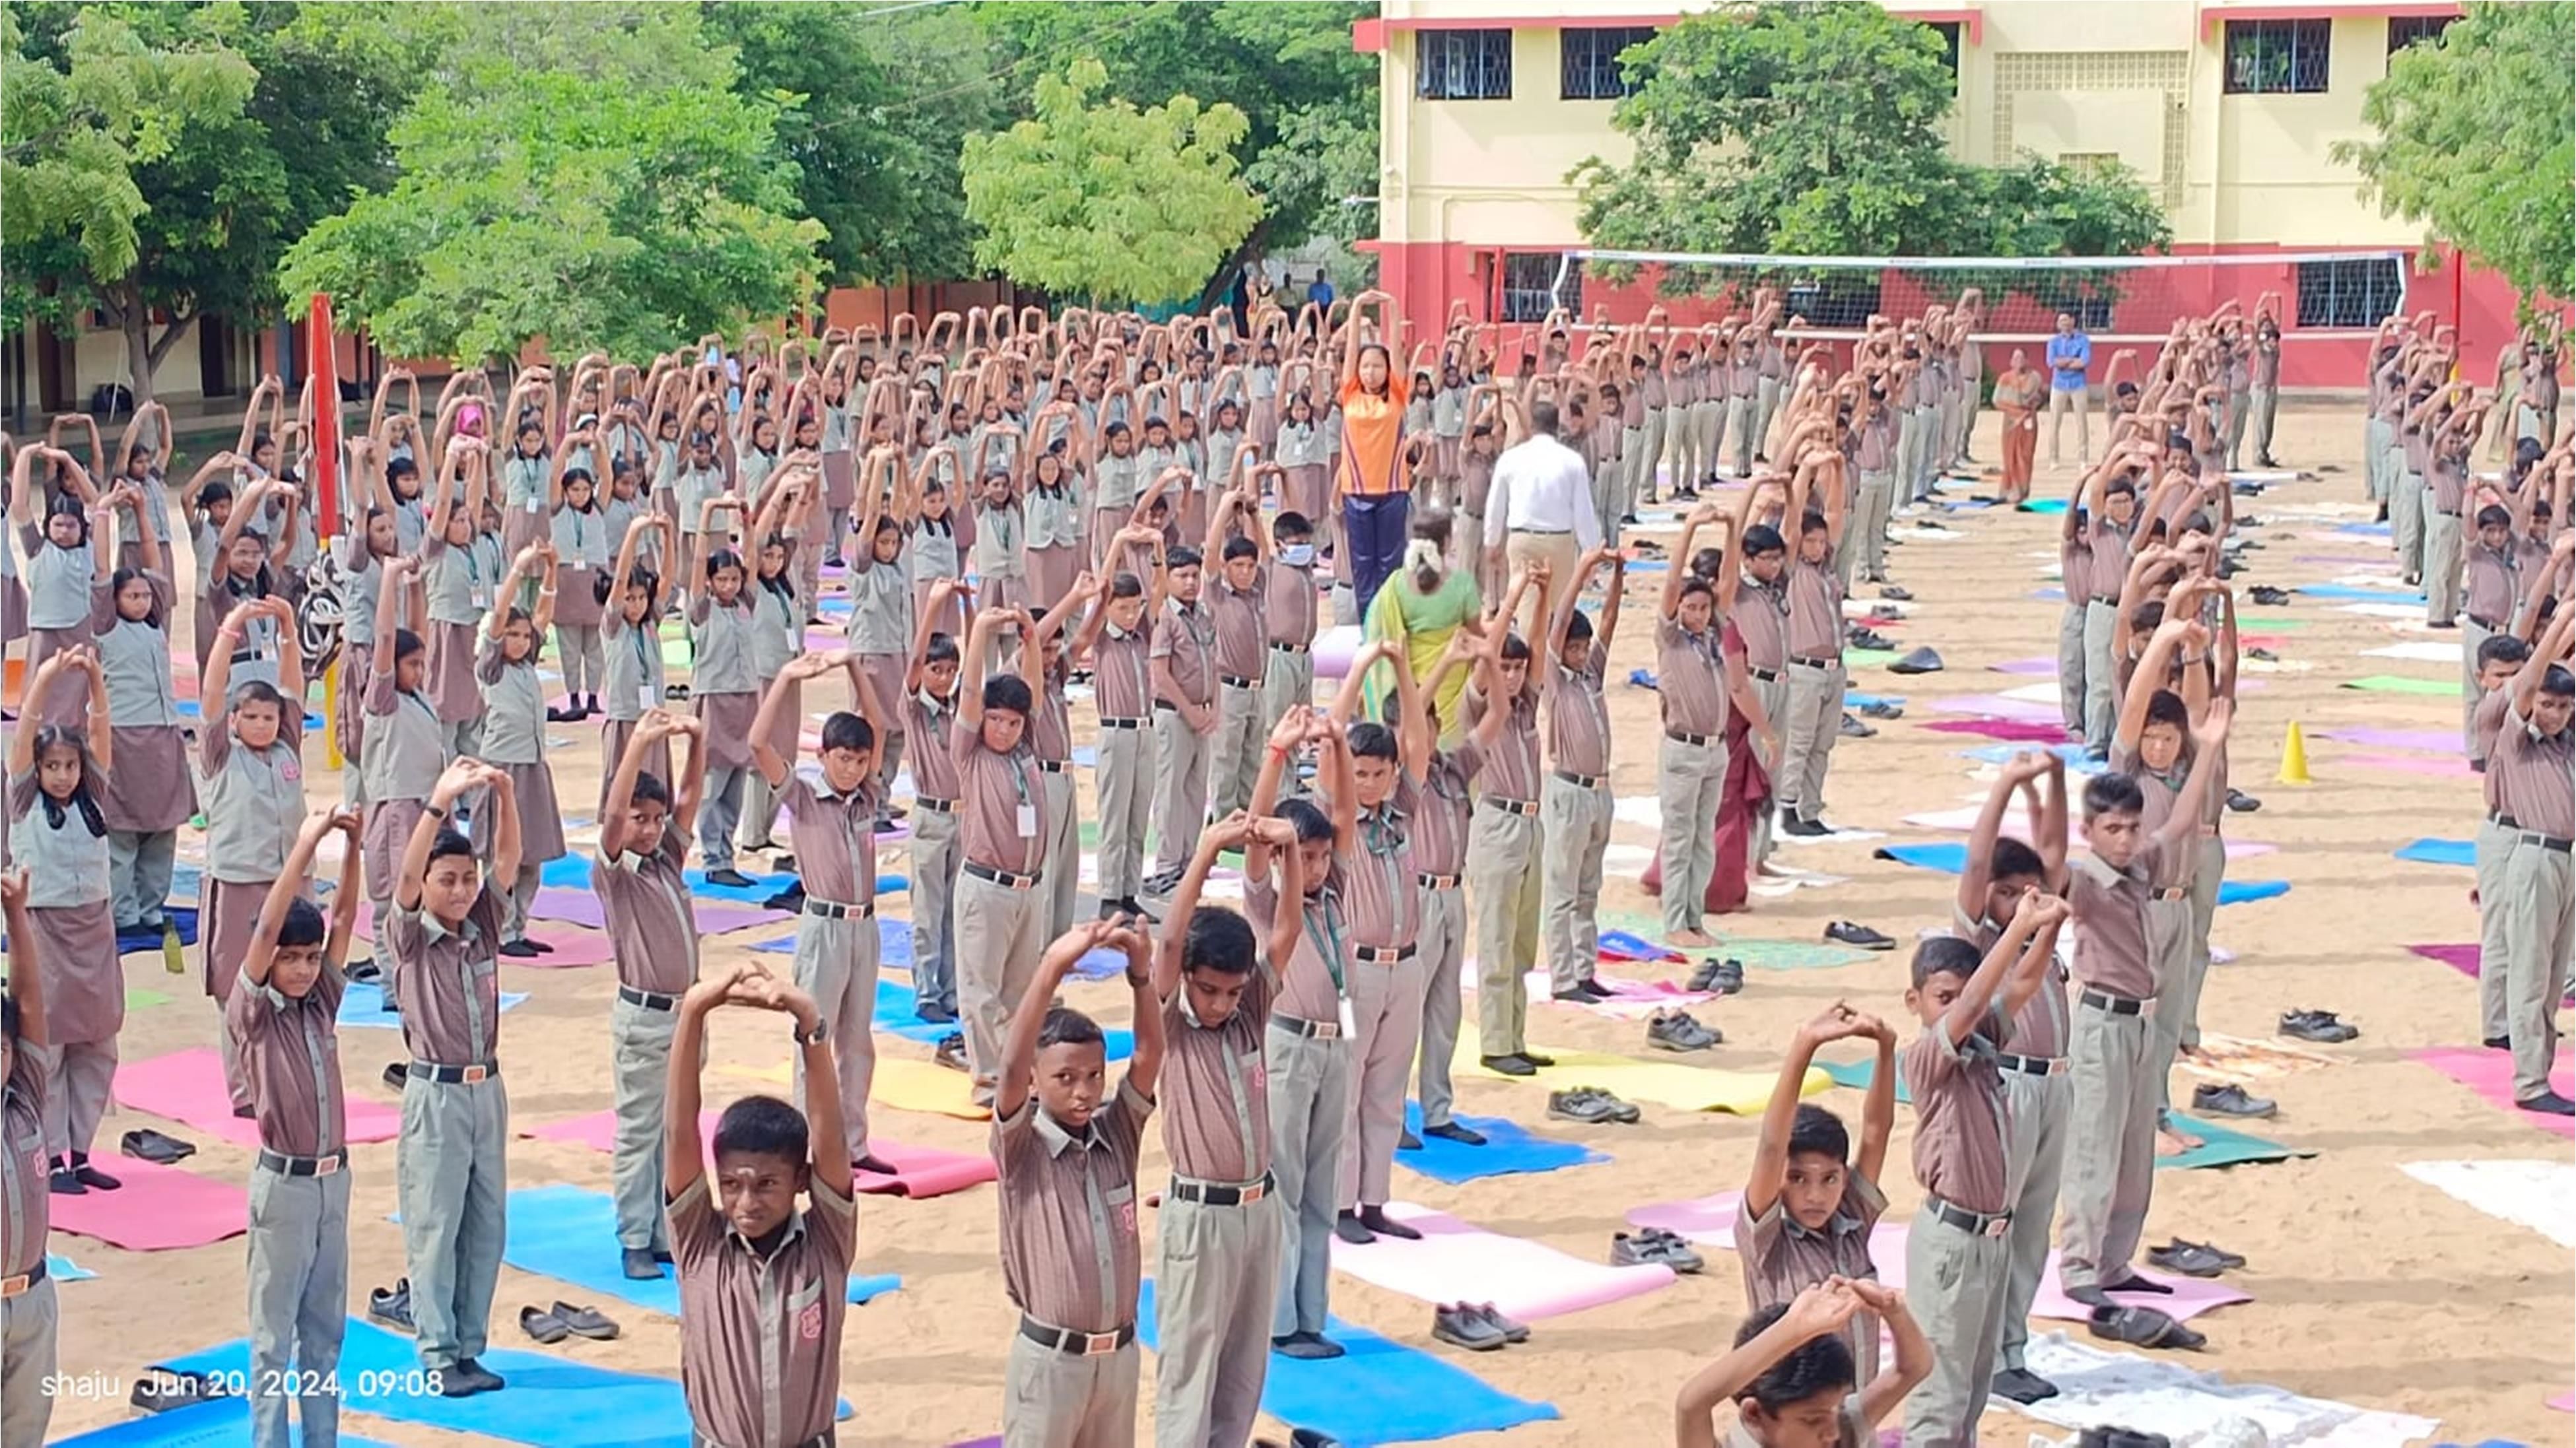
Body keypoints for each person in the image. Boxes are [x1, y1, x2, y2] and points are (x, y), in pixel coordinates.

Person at [2058, 702, 2230, 1304]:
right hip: (2102, 1023)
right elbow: (2050, 863)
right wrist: (2029, 789)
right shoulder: (2083, 880)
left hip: (2141, 1024)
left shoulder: (2143, 864)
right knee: (2095, 1148)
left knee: (2135, 1153)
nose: (2127, 838)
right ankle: (2079, 1265)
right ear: (2090, 833)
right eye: (2114, 830)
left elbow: (2180, 822)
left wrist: (2208, 746)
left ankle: (2113, 1261)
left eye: (2132, 828)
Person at [1151, 812, 1301, 1448]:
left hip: (1257, 1209)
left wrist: (1290, 851)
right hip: (1200, 1216)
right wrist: (1208, 847)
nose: (1220, 1004)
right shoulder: (1172, 1024)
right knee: (1190, 1370)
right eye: (1209, 990)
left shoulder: (1248, 1017)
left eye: (1232, 992)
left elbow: (1288, 929)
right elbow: (1165, 946)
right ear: (1189, 979)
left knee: (1243, 1369)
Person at [663, 959, 855, 1448]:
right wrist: (694, 1012)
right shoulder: (700, 1245)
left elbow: (830, 1138)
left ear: (801, 1182)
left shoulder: (826, 1245)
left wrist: (811, 1027)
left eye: (767, 1184)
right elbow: (680, 1131)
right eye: (731, 1184)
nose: (746, 1202)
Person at [991, 918, 1164, 1448]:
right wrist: (1052, 968)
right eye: (1065, 1078)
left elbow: (1149, 1054)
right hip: (1050, 1363)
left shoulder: (1117, 1135)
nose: (1084, 1091)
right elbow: (1011, 1066)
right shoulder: (1022, 1150)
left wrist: (1140, 975)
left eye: (1093, 1075)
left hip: (1118, 1359)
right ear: (1036, 1082)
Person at [1898, 904, 2065, 1444]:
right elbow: (1974, 1004)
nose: (1955, 1011)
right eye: (1940, 999)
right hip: (1951, 1240)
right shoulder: (1926, 1057)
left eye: (1958, 997)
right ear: (1915, 1002)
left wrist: (2051, 926)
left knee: (1971, 1390)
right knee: (1938, 1394)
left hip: (1990, 1238)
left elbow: (2023, 983)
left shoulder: (1984, 1043)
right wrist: (2018, 927)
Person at [388, 758, 521, 1395]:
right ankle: (438, 1352)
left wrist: (505, 793)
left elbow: (510, 861)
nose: (462, 891)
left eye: (467, 879)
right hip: (435, 1093)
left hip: (486, 1089)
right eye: (450, 881)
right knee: (436, 1227)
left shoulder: (481, 930)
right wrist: (439, 801)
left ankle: (470, 1346)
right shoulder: (412, 937)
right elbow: (408, 876)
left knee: (485, 1224)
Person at [231, 809, 364, 1448]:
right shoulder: (257, 1011)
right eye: (293, 959)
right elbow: (264, 932)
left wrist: (355, 848)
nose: (306, 969)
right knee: (272, 1338)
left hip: (332, 1185)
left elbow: (343, 921)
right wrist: (309, 842)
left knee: (325, 1335)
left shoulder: (322, 1006)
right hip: (282, 1188)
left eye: (312, 958)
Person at [1951, 753, 2074, 1407]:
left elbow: (2051, 853)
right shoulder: (1979, 940)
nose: (2016, 900)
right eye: (2006, 892)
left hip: (2055, 1084)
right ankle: (1991, 1352)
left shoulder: (2040, 936)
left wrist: (2052, 778)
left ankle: (2012, 1349)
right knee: (1997, 1221)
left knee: (2032, 1223)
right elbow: (1975, 868)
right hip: (2008, 1086)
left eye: (2024, 890)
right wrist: (2003, 785)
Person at [1244, 710, 1358, 1360]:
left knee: (1321, 1187)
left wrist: (1335, 745)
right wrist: (1275, 752)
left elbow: (1341, 814)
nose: (1312, 869)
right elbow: (1257, 835)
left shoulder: (1332, 889)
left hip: (1333, 1043)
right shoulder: (1267, 900)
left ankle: (1310, 1315)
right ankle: (1281, 1321)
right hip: (1286, 1044)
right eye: (1302, 858)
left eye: (1316, 858)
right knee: (1283, 1183)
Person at [594, 708, 709, 1278]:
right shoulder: (617, 873)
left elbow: (690, 796)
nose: (650, 827)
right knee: (640, 1130)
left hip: (685, 1017)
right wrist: (637, 744)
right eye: (641, 819)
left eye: (656, 818)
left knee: (679, 1124)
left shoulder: (666, 860)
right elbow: (613, 815)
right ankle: (634, 1237)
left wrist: (697, 742)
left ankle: (664, 1230)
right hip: (644, 1018)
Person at [8, 650, 118, 1193]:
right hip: (46, 931)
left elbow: (101, 736)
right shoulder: (23, 798)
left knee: (97, 1045)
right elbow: (26, 727)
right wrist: (49, 676)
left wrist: (94, 678)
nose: (62, 774)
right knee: (47, 1050)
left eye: (69, 766)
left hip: (95, 928)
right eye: (52, 765)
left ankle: (79, 1152)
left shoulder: (93, 795)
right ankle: (49, 1158)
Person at [1738, 1004, 1895, 1380]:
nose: (1815, 1195)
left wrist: (1886, 1049)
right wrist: (1805, 1046)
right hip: (1792, 1423)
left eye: (1829, 1179)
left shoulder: (1852, 1220)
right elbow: (1772, 1146)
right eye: (1797, 1178)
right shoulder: (1768, 1243)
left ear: (1844, 1177)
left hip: (1855, 1414)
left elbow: (1876, 1131)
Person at [197, 604, 310, 1116]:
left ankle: (286, 1076)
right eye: (252, 717)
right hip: (240, 883)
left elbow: (292, 688)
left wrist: (289, 628)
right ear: (235, 721)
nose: (263, 724)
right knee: (238, 989)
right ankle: (245, 1091)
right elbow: (212, 693)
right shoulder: (223, 754)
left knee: (293, 983)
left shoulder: (288, 750)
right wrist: (231, 627)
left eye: (269, 717)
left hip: (289, 883)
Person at [1657, 504, 1773, 947]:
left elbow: (1727, 583)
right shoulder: (1670, 637)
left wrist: (1729, 530)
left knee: (1703, 839)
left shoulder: (1710, 633)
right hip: (1682, 749)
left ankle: (1693, 918)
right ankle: (1674, 923)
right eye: (1691, 607)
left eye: (1703, 608)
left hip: (1712, 749)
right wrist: (1689, 527)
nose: (1700, 613)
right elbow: (1671, 583)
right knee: (1680, 838)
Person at [953, 604, 1051, 1107]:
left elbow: (1032, 684)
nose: (1004, 730)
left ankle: (1014, 1075)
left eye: (1012, 723)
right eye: (996, 721)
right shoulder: (970, 752)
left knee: (1018, 991)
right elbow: (971, 693)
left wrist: (1031, 637)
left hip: (1027, 886)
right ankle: (988, 1080)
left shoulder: (1023, 747)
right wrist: (980, 635)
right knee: (981, 990)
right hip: (986, 885)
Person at [2490, 602, 2576, 1115]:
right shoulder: (2519, 738)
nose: (2555, 715)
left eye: (2564, 708)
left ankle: (2540, 1071)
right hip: (2535, 857)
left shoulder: (2566, 745)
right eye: (2548, 705)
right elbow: (2526, 685)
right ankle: (2529, 1080)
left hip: (2567, 862)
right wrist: (2563, 617)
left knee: (2552, 974)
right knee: (2529, 971)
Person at [1674, 1280, 1932, 1448]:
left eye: (1835, 1409)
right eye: (1811, 1420)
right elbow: (1692, 1404)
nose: (1831, 1433)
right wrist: (1792, 1330)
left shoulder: (1842, 1429)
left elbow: (1913, 1368)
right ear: (1754, 1414)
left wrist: (1895, 1311)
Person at [1465, 569, 1549, 1073]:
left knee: (1522, 939)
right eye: (1507, 668)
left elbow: (1539, 646)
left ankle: (1514, 1036)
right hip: (1496, 823)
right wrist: (1515, 592)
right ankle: (1497, 1043)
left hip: (1530, 825)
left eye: (1519, 668)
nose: (1514, 675)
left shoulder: (1525, 710)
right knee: (1496, 938)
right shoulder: (1480, 710)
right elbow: (1487, 655)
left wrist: (1547, 590)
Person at [1541, 547, 1622, 1003]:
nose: (1577, 654)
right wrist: (1585, 568)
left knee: (1589, 887)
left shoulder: (1590, 675)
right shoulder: (1555, 680)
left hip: (1599, 792)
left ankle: (1585, 970)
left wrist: (1618, 577)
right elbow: (1557, 627)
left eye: (1581, 647)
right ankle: (1564, 977)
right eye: (1572, 648)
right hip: (1568, 790)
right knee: (1563, 889)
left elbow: (1609, 621)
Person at [0, 870, 55, 1447]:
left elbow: (30, 1001)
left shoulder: (27, 1099)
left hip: (35, 1299)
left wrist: (17, 915)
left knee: (26, 1434)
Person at [1481, 401, 1601, 640]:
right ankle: (1551, 665)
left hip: (1522, 539)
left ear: (1532, 425)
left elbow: (1495, 505)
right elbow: (1584, 512)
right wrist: (1591, 552)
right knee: (1559, 608)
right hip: (1559, 541)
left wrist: (1491, 541)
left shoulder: (1511, 458)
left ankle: (1529, 662)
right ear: (1557, 426)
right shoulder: (1572, 460)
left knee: (1526, 605)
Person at [1362, 506, 1483, 735]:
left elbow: (1379, 630)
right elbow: (1476, 640)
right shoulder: (1462, 585)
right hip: (1453, 698)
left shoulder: (1395, 585)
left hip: (1412, 693)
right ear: (1446, 542)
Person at [1336, 291, 1414, 615]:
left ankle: (1390, 622)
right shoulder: (1350, 393)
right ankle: (1369, 626)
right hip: (1356, 491)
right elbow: (1351, 350)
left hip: (1393, 490)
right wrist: (1355, 308)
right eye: (1365, 367)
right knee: (1363, 565)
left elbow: (1395, 349)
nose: (1370, 372)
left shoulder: (1396, 395)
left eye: (1377, 366)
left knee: (1390, 565)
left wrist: (1392, 306)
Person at [1147, 546, 1217, 896]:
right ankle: (1167, 865)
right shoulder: (1166, 618)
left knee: (1195, 791)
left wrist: (1213, 707)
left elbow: (1213, 663)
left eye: (1194, 575)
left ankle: (1190, 860)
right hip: (1174, 715)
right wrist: (1190, 710)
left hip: (1202, 713)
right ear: (1170, 579)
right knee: (1171, 792)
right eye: (1182, 576)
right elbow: (1160, 673)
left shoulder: (1203, 615)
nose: (1190, 583)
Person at [1992, 350, 2045, 504]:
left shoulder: (2035, 378)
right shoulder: (2005, 378)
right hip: (2011, 421)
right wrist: (2014, 412)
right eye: (2015, 358)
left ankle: (2022, 489)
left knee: (2025, 455)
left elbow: (2038, 398)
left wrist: (2032, 406)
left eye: (2021, 358)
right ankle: (2009, 488)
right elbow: (1997, 401)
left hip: (2028, 419)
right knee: (2009, 455)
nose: (2018, 361)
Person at [2045, 313, 2093, 467]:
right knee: (2054, 422)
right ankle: (2054, 459)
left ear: (2073, 321)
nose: (2064, 323)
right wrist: (2072, 360)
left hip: (2078, 385)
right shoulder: (2053, 342)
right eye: (2061, 320)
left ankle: (2083, 459)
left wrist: (2064, 362)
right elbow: (2052, 362)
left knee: (2081, 422)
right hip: (2059, 385)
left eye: (2066, 320)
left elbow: (2084, 362)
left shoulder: (2083, 340)